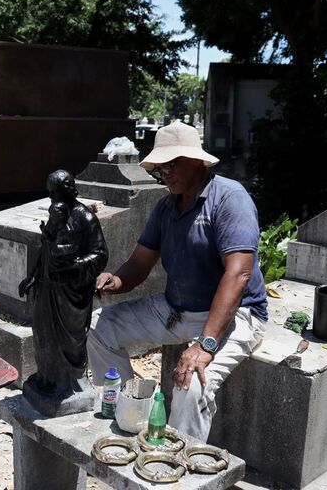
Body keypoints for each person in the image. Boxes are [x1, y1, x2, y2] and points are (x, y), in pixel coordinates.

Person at [87, 121, 267, 441]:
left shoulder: (229, 199)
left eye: (171, 164)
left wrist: (205, 343)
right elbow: (139, 264)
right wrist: (113, 280)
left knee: (191, 381)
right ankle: (133, 416)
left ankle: (180, 464)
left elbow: (238, 273)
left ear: (196, 160)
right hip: (175, 310)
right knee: (98, 328)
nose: (164, 173)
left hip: (234, 315)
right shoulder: (166, 207)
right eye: (159, 167)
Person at [19, 170, 108, 396]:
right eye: (50, 194)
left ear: (67, 190)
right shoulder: (57, 214)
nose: (52, 198)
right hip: (47, 288)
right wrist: (31, 277)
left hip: (72, 292)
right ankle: (47, 377)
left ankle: (67, 382)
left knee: (70, 340)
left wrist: (74, 266)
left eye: (55, 193)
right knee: (43, 334)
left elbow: (100, 255)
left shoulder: (85, 218)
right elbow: (46, 247)